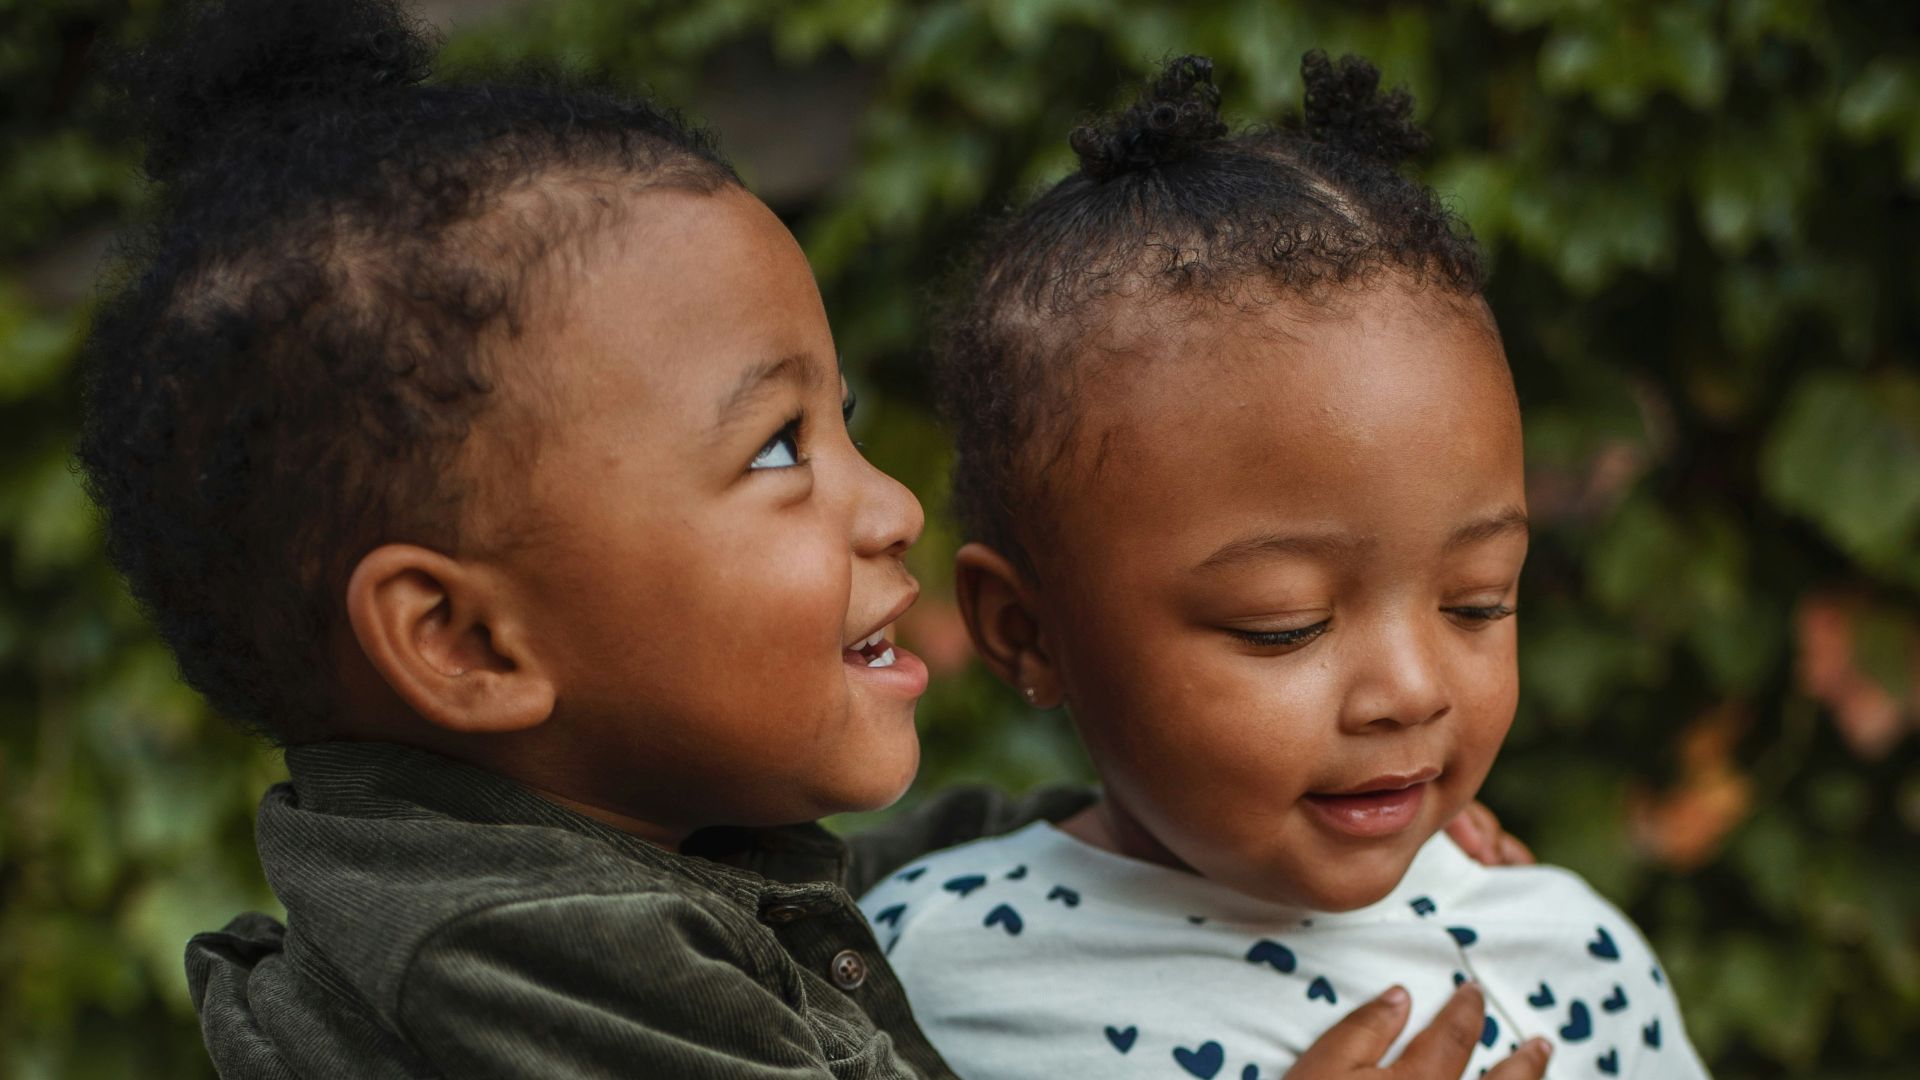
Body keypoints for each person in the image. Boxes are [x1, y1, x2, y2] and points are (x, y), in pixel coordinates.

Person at [79, 2, 1546, 1076]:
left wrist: (1220, 816)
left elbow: (862, 876)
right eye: (780, 446)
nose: (894, 503)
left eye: (841, 419)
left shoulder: (607, 850)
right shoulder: (522, 971)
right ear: (468, 642)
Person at [861, 53, 1710, 1080]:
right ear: (1026, 631)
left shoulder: (1568, 961)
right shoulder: (916, 972)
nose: (1409, 689)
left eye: (1478, 602)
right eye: (1285, 624)